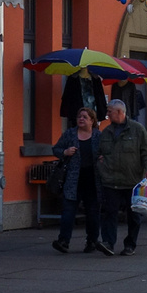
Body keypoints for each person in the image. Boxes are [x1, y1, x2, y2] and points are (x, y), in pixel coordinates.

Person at [96, 98, 147, 256]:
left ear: (120, 112)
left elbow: (146, 152)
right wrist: (101, 164)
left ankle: (130, 244)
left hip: (132, 181)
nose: (107, 114)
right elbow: (99, 152)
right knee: (110, 212)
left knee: (133, 214)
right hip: (111, 180)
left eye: (110, 112)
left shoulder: (137, 130)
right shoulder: (106, 132)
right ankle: (108, 242)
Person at [51, 107, 102, 254]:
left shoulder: (98, 136)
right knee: (68, 211)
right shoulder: (70, 134)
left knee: (92, 212)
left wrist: (103, 158)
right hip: (73, 179)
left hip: (92, 179)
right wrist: (65, 152)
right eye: (79, 116)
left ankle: (92, 241)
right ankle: (63, 241)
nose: (81, 119)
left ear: (92, 120)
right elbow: (56, 149)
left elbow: (107, 151)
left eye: (85, 117)